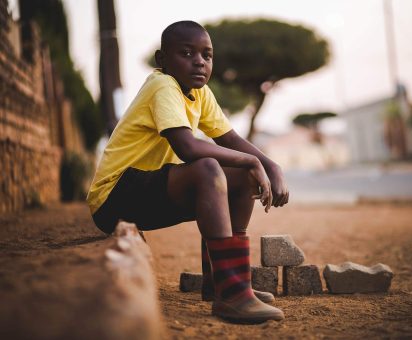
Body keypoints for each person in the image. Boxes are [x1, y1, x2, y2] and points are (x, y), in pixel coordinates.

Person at [87, 21, 289, 323]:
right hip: (114, 198)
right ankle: (231, 298)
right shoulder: (163, 86)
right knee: (209, 168)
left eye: (207, 55)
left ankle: (226, 282)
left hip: (146, 191)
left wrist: (270, 165)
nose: (199, 61)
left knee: (238, 175)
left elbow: (230, 139)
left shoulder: (201, 93)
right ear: (162, 60)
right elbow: (188, 149)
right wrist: (251, 161)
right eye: (186, 53)